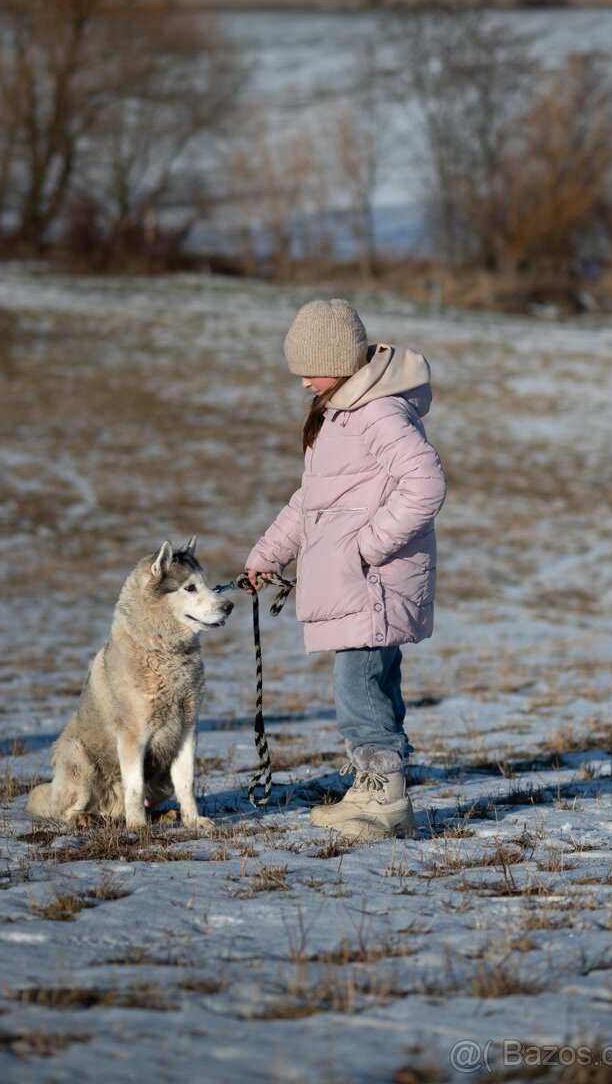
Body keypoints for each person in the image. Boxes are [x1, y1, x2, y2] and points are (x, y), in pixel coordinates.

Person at [245, 299, 446, 840]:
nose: (304, 381)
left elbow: (425, 485)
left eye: (310, 367)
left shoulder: (376, 411)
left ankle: (383, 798)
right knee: (370, 685)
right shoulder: (341, 412)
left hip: (371, 581)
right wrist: (268, 554)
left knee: (359, 688)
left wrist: (368, 548)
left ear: (339, 359)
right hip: (358, 582)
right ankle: (373, 790)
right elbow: (311, 501)